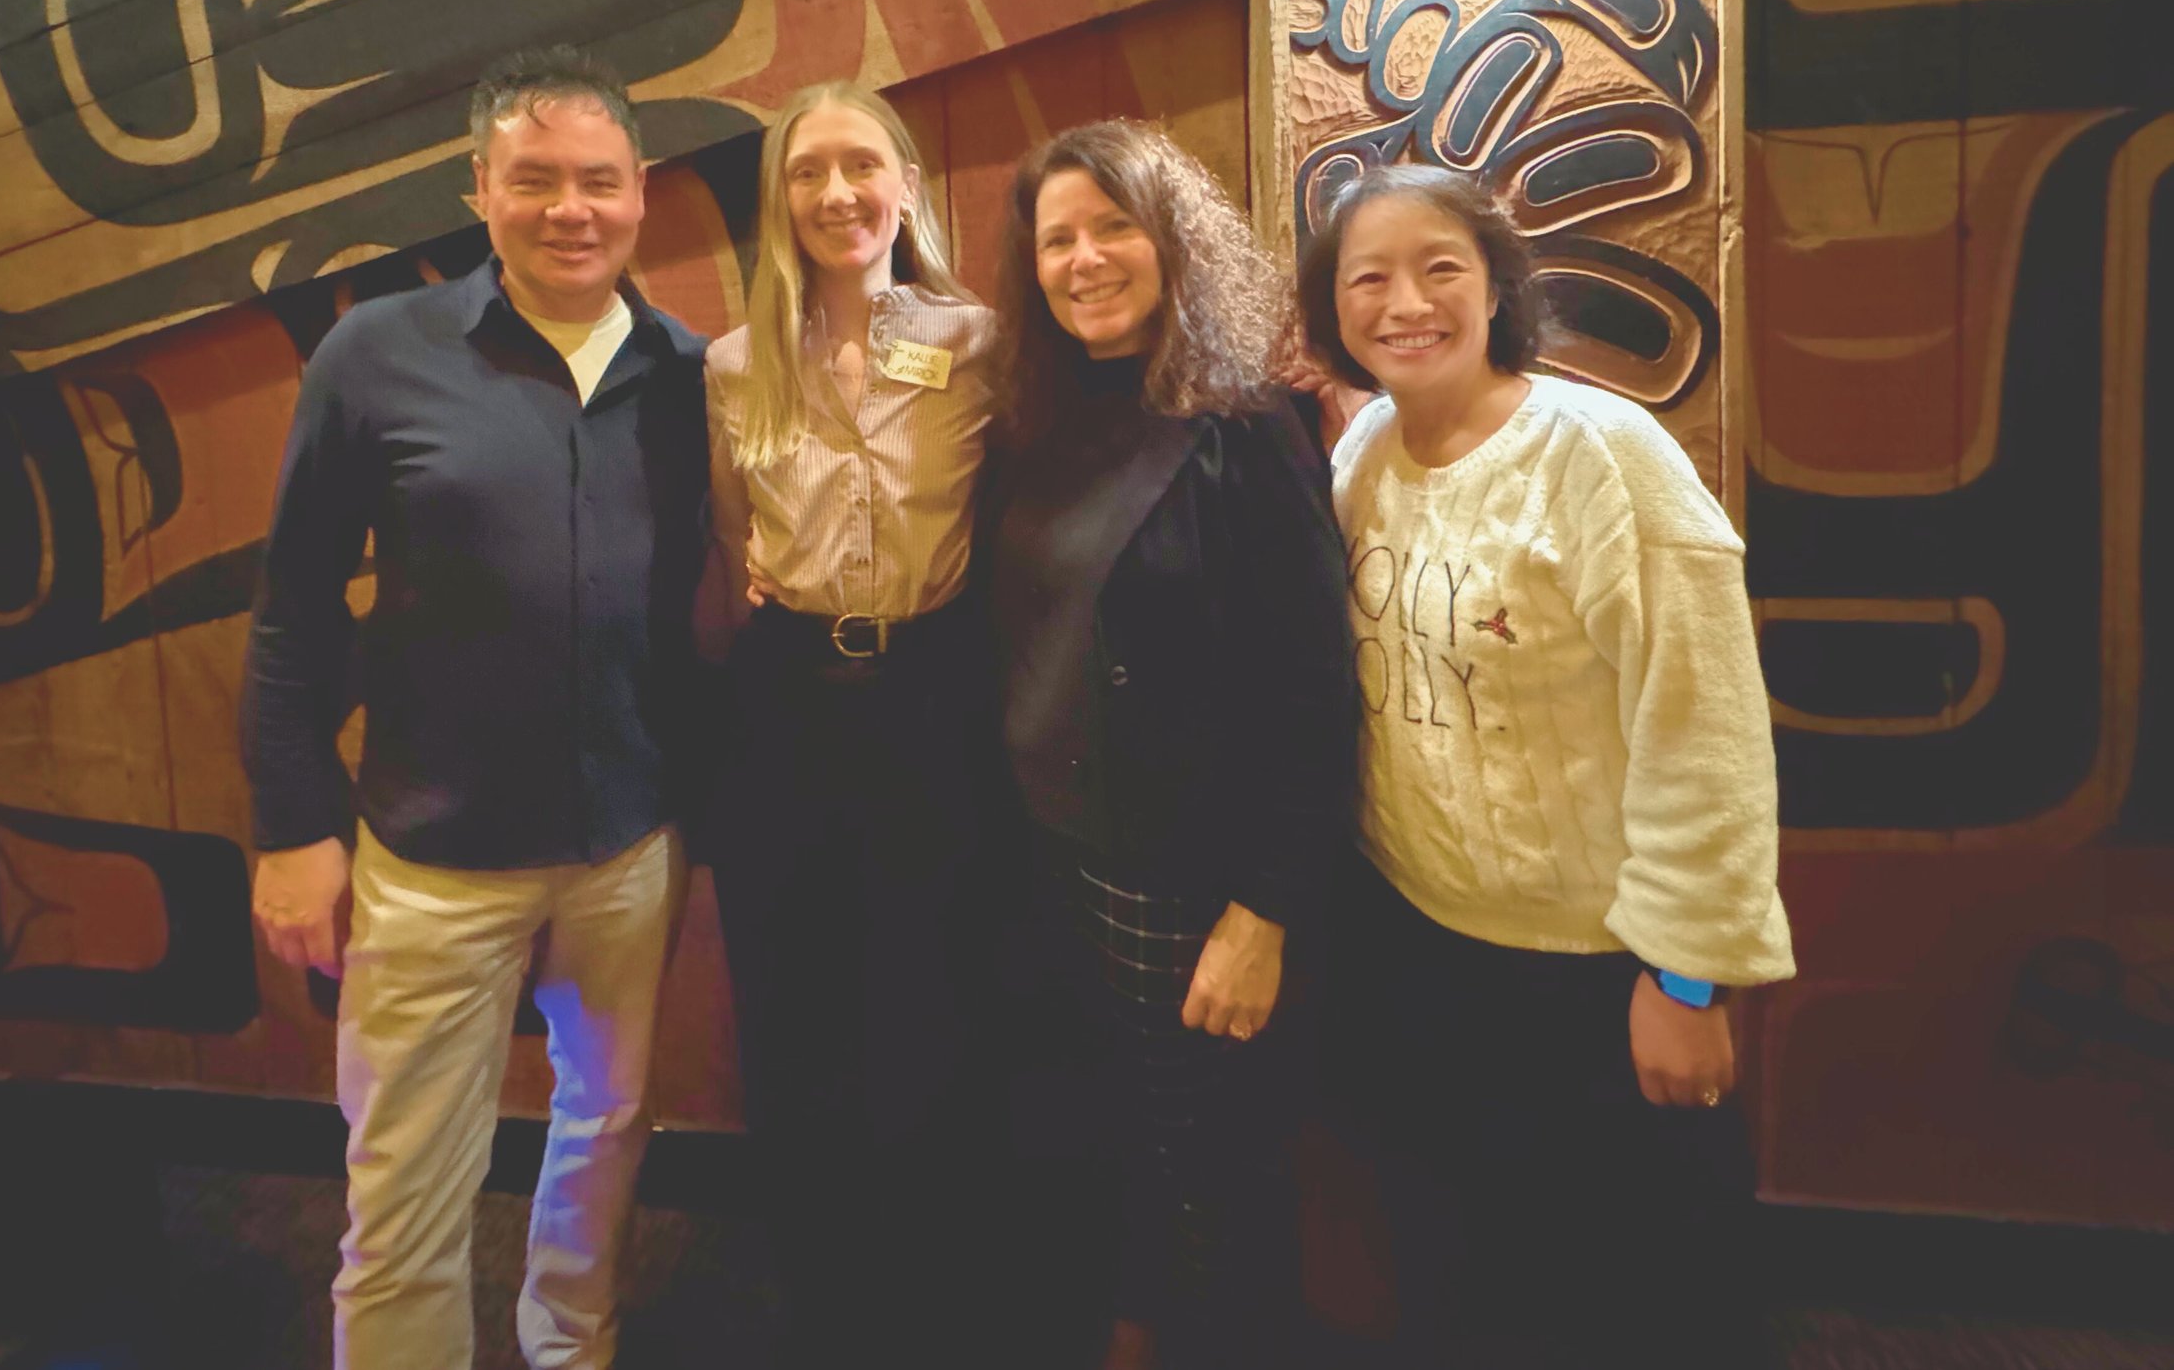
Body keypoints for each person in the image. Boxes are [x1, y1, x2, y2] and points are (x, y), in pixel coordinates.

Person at [241, 47, 708, 1370]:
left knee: (608, 1128)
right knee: (401, 1190)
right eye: (537, 179)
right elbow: (295, 607)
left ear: (640, 193)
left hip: (629, 848)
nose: (572, 209)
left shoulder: (693, 374)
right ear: (481, 190)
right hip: (428, 860)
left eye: (599, 182)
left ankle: (573, 1343)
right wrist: (292, 824)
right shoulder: (375, 354)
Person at [1298, 161, 1796, 1369]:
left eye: (1438, 270)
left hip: (1599, 977)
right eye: (1368, 279)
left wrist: (1686, 980)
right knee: (1464, 1283)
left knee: (1645, 1301)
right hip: (1418, 955)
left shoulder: (1602, 454)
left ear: (1496, 287)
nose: (1402, 303)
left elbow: (1706, 730)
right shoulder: (1362, 453)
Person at [982, 120, 1356, 1370]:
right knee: (1117, 1144)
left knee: (1209, 1171)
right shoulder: (1038, 416)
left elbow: (1315, 687)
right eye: (1057, 239)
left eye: (1111, 227)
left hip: (1190, 880)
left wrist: (1265, 909)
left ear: (1171, 241)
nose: (1084, 259)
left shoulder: (1246, 424)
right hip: (1055, 860)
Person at [700, 81, 1005, 1370]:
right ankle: (826, 1308)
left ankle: (940, 1298)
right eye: (807, 171)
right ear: (780, 200)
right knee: (793, 1006)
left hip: (937, 699)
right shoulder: (728, 362)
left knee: (934, 997)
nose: (835, 193)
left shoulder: (981, 340)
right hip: (788, 703)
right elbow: (730, 532)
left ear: (905, 186)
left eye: (859, 166)